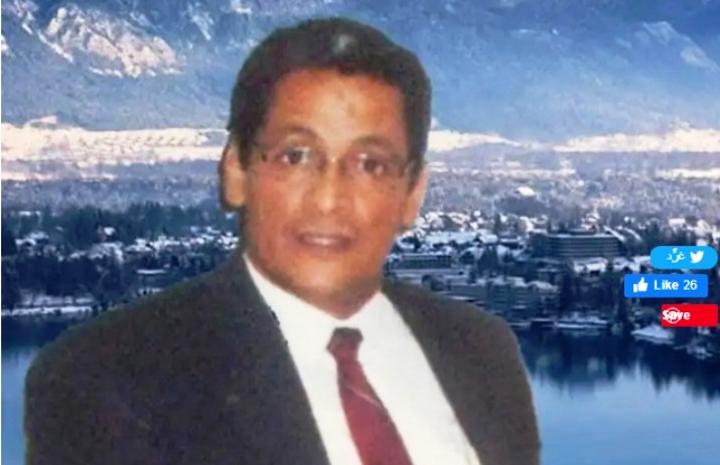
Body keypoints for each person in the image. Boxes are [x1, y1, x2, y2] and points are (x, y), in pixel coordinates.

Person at [24, 17, 540, 465]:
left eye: (371, 165)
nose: (329, 199)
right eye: (296, 156)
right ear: (236, 171)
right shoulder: (107, 379)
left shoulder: (481, 351)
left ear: (412, 194)